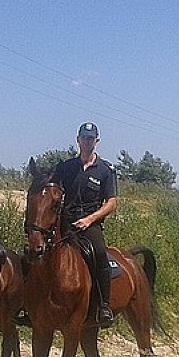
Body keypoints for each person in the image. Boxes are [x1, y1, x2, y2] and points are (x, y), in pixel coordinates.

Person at [52, 122, 118, 327]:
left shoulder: (106, 170)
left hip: (90, 224)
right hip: (65, 221)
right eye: (83, 138)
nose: (87, 142)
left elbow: (112, 202)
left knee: (98, 254)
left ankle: (103, 305)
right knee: (39, 250)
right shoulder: (66, 167)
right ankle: (28, 303)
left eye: (91, 138)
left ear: (96, 141)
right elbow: (51, 187)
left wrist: (90, 219)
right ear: (78, 140)